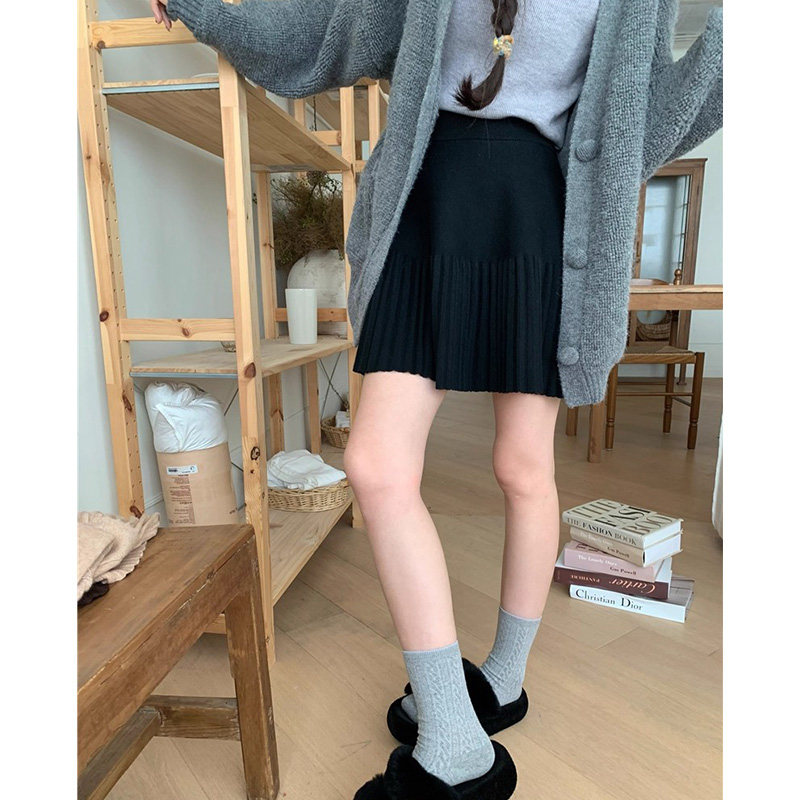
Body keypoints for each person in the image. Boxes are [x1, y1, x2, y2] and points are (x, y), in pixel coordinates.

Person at [152, 2, 723, 798]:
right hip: (424, 206)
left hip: (540, 219)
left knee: (523, 467)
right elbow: (331, 33)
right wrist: (207, 8)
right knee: (376, 465)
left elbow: (656, 110)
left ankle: (504, 681)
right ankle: (455, 734)